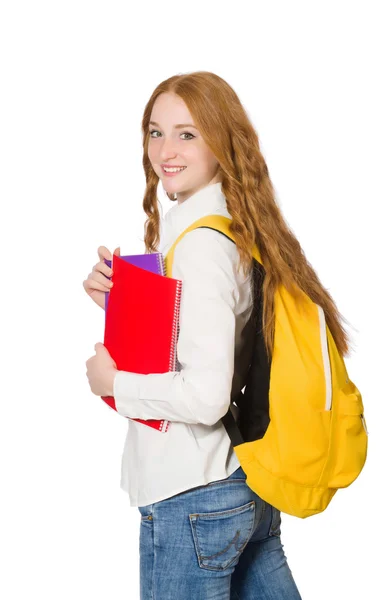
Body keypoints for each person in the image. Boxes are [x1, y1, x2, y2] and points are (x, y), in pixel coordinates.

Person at [83, 71, 349, 599]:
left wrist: (113, 382)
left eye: (188, 133)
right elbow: (208, 341)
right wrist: (121, 307)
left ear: (221, 141)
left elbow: (205, 396)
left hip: (190, 494)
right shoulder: (235, 225)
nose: (166, 150)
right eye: (155, 132)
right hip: (243, 486)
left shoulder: (201, 245)